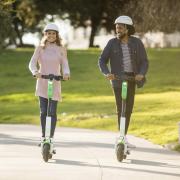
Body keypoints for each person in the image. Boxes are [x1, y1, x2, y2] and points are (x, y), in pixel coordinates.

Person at [98, 15, 148, 147]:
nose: (117, 30)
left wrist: (141, 74)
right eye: (116, 27)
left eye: (120, 27)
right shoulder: (112, 43)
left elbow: (144, 61)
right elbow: (102, 60)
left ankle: (123, 136)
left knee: (128, 109)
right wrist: (107, 73)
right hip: (117, 79)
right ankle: (121, 137)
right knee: (121, 108)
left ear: (127, 29)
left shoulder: (137, 42)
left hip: (132, 79)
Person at [29, 23, 70, 146]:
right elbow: (32, 63)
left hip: (55, 81)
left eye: (53, 33)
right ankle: (43, 137)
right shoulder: (40, 48)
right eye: (49, 33)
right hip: (42, 81)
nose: (51, 35)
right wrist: (35, 71)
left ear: (57, 35)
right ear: (45, 34)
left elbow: (65, 64)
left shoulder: (61, 48)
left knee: (52, 111)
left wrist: (66, 73)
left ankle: (50, 137)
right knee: (43, 111)